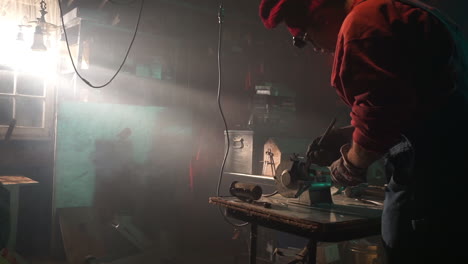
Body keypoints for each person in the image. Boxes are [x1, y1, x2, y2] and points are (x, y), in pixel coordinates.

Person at [259, 0, 468, 263]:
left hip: (428, 177)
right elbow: (409, 101)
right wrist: (350, 134)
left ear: (322, 17)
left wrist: (349, 166)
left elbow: (380, 112)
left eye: (307, 39)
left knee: (409, 247)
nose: (319, 49)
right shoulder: (403, 10)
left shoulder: (362, 24)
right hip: (451, 167)